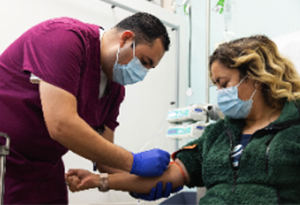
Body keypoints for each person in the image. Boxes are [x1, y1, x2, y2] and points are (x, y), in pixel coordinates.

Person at [65, 35, 300, 204]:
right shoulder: (217, 134)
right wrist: (99, 180)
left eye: (224, 83)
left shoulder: (294, 128)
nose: (219, 93)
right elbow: (168, 176)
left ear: (256, 78)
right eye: (216, 85)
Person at [0, 12, 175, 204]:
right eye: (143, 62)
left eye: (149, 68)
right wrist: (135, 162)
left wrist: (135, 183)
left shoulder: (115, 90)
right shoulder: (64, 39)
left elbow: (105, 159)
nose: (142, 73)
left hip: (45, 171)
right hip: (6, 160)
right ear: (126, 38)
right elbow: (61, 124)